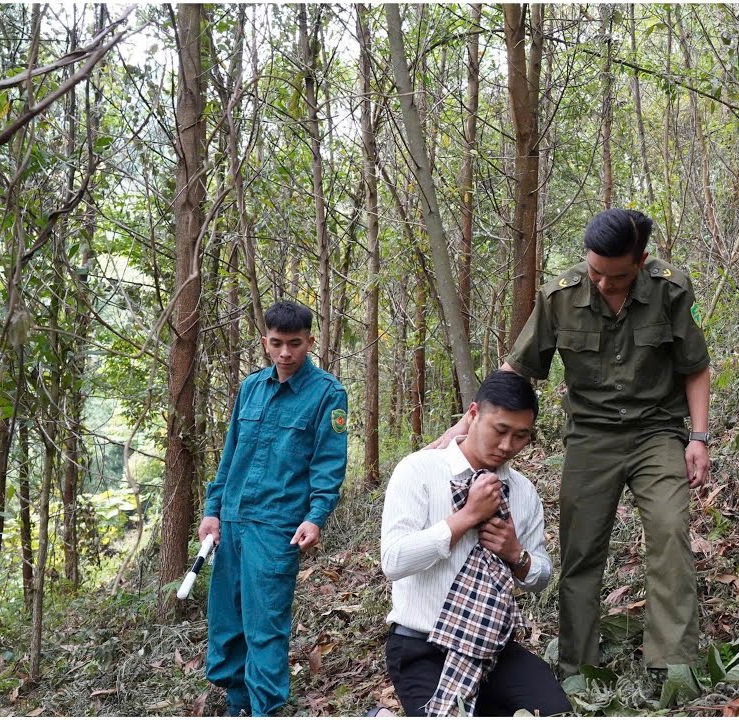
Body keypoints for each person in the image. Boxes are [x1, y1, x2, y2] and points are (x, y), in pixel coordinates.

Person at [431, 208, 711, 679]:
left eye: (614, 275)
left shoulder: (672, 289)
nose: (601, 283)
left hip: (657, 431)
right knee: (581, 550)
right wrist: (468, 422)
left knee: (669, 531)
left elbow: (695, 366)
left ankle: (672, 663)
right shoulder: (561, 294)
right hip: (591, 436)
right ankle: (577, 664)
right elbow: (518, 366)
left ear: (640, 262)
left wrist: (699, 438)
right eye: (594, 270)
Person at [380, 371, 570, 717]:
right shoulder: (419, 470)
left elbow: (541, 576)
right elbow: (393, 560)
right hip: (421, 645)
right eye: (500, 430)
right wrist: (465, 517)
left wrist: (517, 556)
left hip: (492, 645)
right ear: (473, 415)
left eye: (521, 436)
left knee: (553, 710)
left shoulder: (523, 492)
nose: (507, 446)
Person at [199, 300, 349, 716]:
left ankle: (265, 708)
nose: (286, 353)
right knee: (227, 623)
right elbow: (230, 456)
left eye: (295, 344)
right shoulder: (250, 388)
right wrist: (213, 510)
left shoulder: (328, 394)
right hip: (231, 522)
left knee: (265, 626)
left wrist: (315, 517)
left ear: (310, 342)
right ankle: (237, 702)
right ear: (265, 342)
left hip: (277, 526)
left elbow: (328, 464)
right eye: (278, 344)